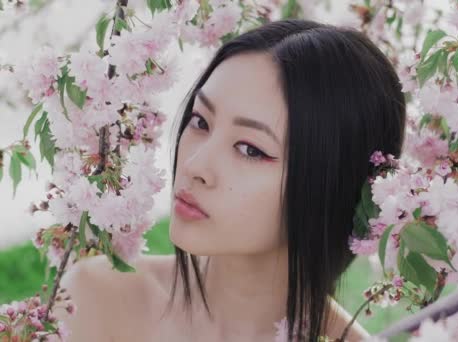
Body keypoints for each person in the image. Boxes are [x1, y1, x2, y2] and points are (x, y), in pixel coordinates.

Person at [55, 18, 406, 341]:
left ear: (330, 187)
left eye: (250, 149)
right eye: (201, 122)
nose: (194, 165)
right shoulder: (94, 301)